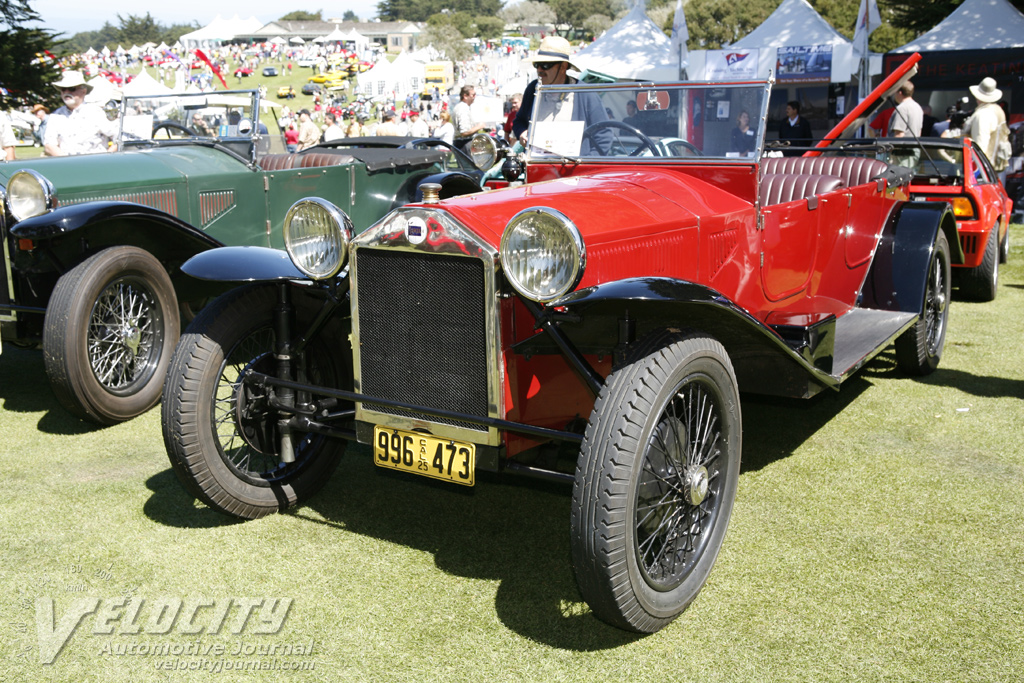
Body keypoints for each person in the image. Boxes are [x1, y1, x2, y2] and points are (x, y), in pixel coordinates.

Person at [511, 36, 609, 155]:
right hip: (537, 168)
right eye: (537, 64)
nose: (540, 69)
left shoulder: (585, 93)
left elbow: (604, 136)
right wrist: (522, 132)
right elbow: (518, 121)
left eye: (546, 65)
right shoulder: (533, 89)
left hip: (574, 171)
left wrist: (585, 165)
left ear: (562, 67)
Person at [43, 71, 118, 156]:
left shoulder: (95, 113)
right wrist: (67, 162)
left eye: (72, 89)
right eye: (63, 89)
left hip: (95, 164)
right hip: (66, 166)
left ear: (83, 91)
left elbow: (118, 138)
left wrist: (107, 157)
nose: (67, 92)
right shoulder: (55, 116)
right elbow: (49, 145)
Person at [964, 77, 1009, 172]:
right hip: (993, 168)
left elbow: (980, 146)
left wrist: (974, 170)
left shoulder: (983, 114)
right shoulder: (998, 110)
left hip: (983, 169)